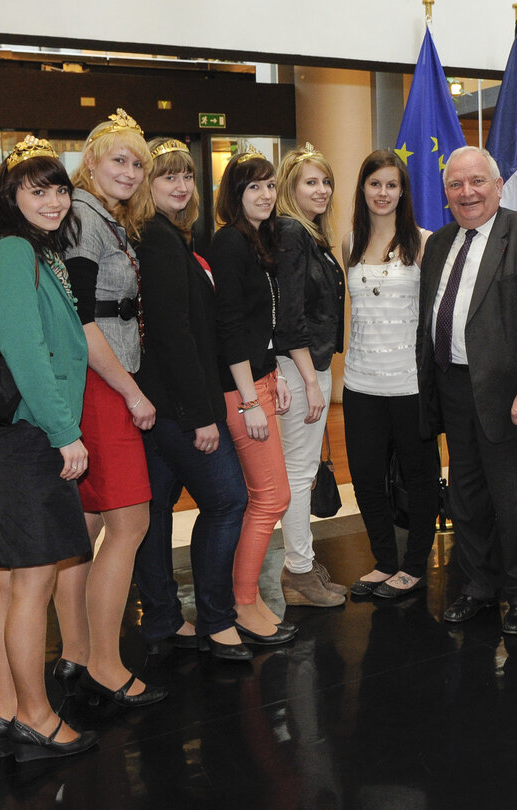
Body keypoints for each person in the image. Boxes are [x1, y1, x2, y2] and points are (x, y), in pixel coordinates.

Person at [131, 138, 281, 663]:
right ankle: (217, 621)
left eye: (187, 176)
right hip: (178, 408)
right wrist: (202, 416)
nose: (180, 185)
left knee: (156, 512)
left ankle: (165, 620)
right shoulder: (156, 238)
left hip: (164, 404)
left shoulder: (175, 236)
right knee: (228, 501)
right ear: (148, 186)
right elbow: (175, 336)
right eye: (167, 176)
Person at [0, 135, 97, 761]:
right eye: (37, 189)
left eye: (59, 188)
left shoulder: (27, 252)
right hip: (28, 439)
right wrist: (65, 432)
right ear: (10, 196)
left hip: (16, 439)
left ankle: (7, 708)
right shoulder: (15, 252)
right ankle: (36, 714)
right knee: (31, 584)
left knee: (8, 583)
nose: (53, 200)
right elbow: (27, 355)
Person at [417, 146, 517, 635]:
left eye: (477, 181)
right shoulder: (439, 244)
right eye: (456, 185)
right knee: (468, 497)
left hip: (511, 394)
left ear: (498, 186)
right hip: (454, 388)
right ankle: (479, 586)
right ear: (446, 195)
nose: (467, 193)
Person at [60, 109, 165, 706]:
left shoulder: (101, 218)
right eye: (118, 159)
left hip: (100, 384)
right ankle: (103, 662)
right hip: (103, 386)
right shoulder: (83, 216)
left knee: (89, 527)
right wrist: (130, 390)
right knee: (130, 525)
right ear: (92, 162)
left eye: (136, 163)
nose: (129, 171)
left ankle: (76, 654)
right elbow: (83, 322)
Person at [340, 149, 440, 599]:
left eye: (391, 185)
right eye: (375, 183)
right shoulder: (348, 243)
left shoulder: (424, 242)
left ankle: (415, 565)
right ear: (362, 189)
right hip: (361, 382)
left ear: (403, 191)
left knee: (419, 477)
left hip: (410, 383)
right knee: (364, 475)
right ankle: (384, 560)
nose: (383, 193)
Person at [212, 147, 298, 642]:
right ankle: (243, 603)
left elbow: (258, 325)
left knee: (262, 498)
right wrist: (248, 397)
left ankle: (244, 599)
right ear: (235, 195)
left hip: (260, 379)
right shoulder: (229, 243)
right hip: (239, 390)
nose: (265, 195)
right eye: (253, 187)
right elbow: (228, 327)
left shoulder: (257, 242)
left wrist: (275, 374)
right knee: (272, 498)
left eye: (269, 185)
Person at [271, 143, 348, 607]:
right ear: (289, 189)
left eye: (325, 182)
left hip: (310, 366)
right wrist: (312, 379)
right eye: (310, 182)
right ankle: (298, 572)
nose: (321, 190)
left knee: (300, 472)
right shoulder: (290, 233)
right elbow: (290, 316)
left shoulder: (312, 235)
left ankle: (302, 563)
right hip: (299, 368)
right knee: (299, 475)